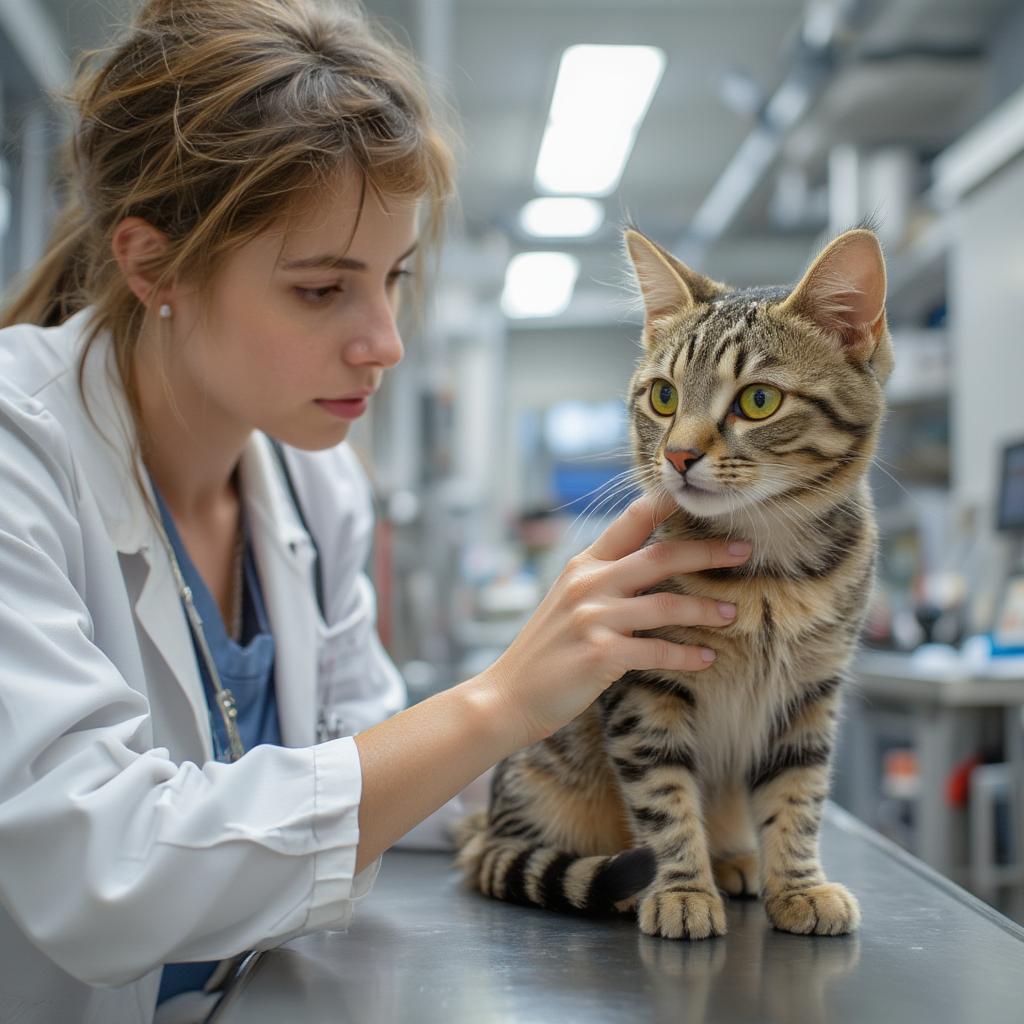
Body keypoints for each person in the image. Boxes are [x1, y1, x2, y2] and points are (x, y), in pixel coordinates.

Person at [0, 1, 751, 1022]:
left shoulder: (316, 485)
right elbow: (101, 868)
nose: (385, 341)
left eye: (393, 278)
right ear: (152, 265)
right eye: (321, 290)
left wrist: (633, 745)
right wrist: (500, 699)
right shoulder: (20, 457)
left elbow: (384, 767)